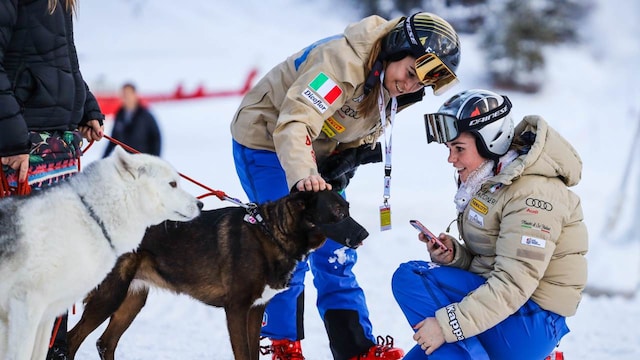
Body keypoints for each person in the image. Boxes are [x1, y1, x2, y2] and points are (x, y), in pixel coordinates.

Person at [231, 12, 461, 360]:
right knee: (289, 250)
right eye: (411, 74)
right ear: (395, 50)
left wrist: (346, 161)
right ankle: (281, 346)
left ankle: (355, 349)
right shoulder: (341, 64)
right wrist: (305, 176)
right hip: (266, 142)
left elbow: (356, 129)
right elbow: (295, 122)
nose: (410, 85)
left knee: (336, 253)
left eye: (420, 83)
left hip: (317, 156)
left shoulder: (391, 85)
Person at [391, 89, 588, 360]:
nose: (451, 159)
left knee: (410, 278)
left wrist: (446, 327)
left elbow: (513, 283)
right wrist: (456, 257)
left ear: (491, 143)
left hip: (531, 323)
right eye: (449, 149)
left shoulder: (532, 194)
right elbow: (494, 260)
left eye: (459, 148)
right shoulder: (495, 182)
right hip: (510, 312)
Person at [0, 1, 105, 359]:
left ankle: (51, 350)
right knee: (23, 267)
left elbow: (61, 59)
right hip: (23, 148)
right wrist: (12, 139)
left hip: (57, 146)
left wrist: (86, 106)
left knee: (57, 262)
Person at [102, 82, 162, 157]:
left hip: (142, 161)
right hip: (124, 161)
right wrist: (103, 157)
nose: (125, 97)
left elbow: (156, 139)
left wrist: (154, 160)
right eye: (123, 94)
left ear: (135, 95)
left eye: (128, 94)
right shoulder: (119, 115)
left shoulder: (146, 116)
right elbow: (113, 140)